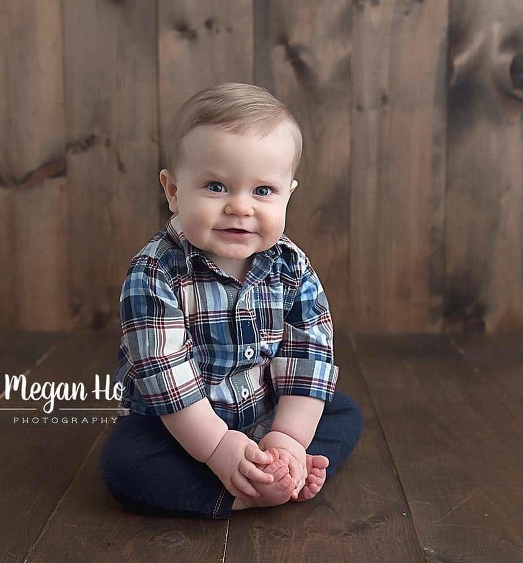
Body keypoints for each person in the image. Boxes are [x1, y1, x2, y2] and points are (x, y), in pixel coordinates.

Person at [100, 83, 362, 519]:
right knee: (125, 465)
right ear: (173, 190)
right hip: (179, 424)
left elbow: (308, 354)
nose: (241, 207)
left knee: (342, 411)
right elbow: (168, 379)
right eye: (217, 186)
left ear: (288, 195)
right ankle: (238, 492)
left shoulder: (291, 267)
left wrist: (288, 439)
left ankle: (284, 466)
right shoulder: (154, 273)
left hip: (264, 408)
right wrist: (218, 448)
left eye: (263, 191)